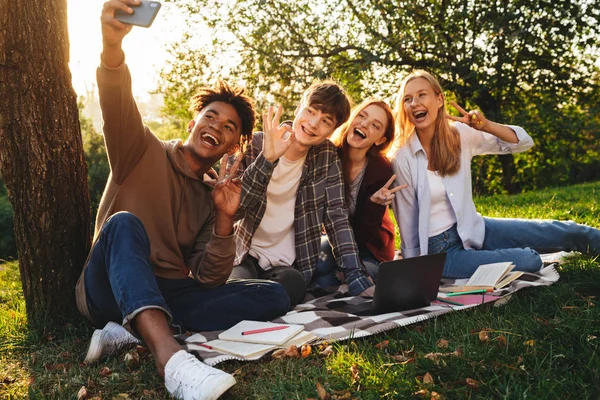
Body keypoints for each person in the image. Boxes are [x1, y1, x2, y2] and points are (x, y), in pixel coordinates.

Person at [76, 1, 290, 399]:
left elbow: (208, 279)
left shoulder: (215, 195)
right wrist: (111, 47)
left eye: (229, 128)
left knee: (273, 293)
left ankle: (130, 331)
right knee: (124, 222)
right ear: (193, 123)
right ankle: (172, 361)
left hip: (171, 292)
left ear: (234, 146)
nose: (217, 127)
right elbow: (114, 97)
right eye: (211, 116)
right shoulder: (139, 148)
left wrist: (226, 219)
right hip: (107, 284)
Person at [391, 69, 600, 279]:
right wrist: (415, 270)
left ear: (439, 99)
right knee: (529, 260)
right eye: (407, 99)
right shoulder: (403, 158)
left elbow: (524, 142)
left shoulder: (460, 135)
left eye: (421, 95)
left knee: (567, 230)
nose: (414, 103)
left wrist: (487, 126)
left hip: (475, 228)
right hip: (442, 254)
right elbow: (407, 222)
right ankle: (483, 258)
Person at [230, 81, 375, 305]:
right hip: (242, 254)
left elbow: (337, 218)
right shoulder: (256, 143)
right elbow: (234, 209)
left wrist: (356, 275)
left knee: (292, 288)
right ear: (298, 109)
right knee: (235, 290)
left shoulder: (326, 155)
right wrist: (267, 160)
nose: (314, 124)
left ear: (332, 131)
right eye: (311, 111)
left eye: (326, 121)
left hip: (286, 266)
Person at [315, 99, 406, 287]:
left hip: (370, 249)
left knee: (328, 279)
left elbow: (364, 237)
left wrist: (373, 204)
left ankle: (361, 275)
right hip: (332, 241)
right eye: (362, 116)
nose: (364, 124)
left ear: (380, 139)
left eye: (375, 125)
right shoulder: (328, 156)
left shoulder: (381, 170)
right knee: (317, 267)